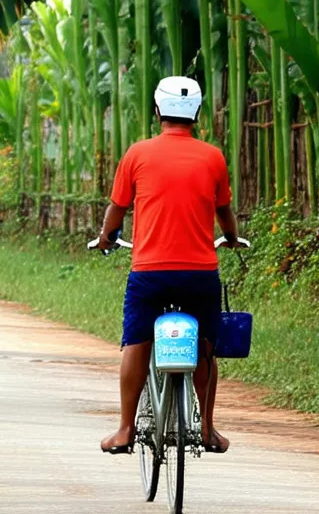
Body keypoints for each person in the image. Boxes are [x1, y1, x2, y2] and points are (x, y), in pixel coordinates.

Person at [93, 76, 240, 455]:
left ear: (157, 111)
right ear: (197, 113)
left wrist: (107, 236)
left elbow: (118, 208)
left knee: (136, 341)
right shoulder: (213, 157)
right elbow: (224, 211)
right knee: (206, 346)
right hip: (200, 274)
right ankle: (207, 429)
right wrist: (232, 236)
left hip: (150, 274)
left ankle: (125, 429)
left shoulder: (138, 154)